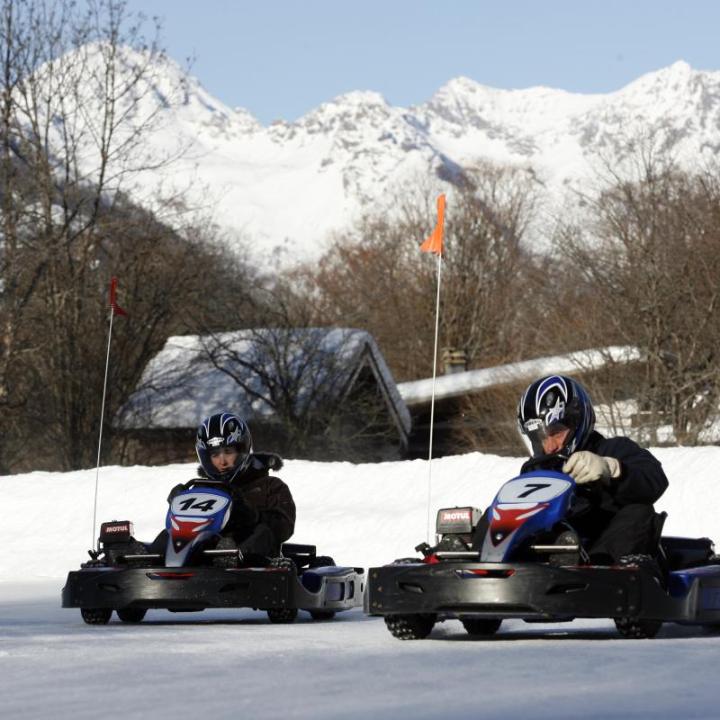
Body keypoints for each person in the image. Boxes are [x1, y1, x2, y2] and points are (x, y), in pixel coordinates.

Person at [472, 375, 668, 564]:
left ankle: (593, 569)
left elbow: (655, 479)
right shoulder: (536, 469)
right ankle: (479, 564)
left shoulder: (612, 449)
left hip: (602, 553)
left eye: (556, 433)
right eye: (540, 437)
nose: (550, 446)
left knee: (639, 512)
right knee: (497, 513)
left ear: (576, 422)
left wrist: (612, 469)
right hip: (545, 553)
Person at [167, 412, 296, 563]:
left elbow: (284, 528)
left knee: (263, 531)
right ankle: (146, 560)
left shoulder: (270, 486)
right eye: (215, 455)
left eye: (228, 452)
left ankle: (229, 558)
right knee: (171, 533)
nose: (222, 462)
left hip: (256, 565)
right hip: (205, 559)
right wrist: (179, 502)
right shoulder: (201, 489)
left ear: (242, 450)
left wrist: (253, 515)